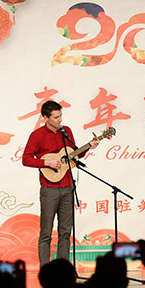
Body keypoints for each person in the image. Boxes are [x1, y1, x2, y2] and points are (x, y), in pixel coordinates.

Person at [22, 100, 98, 266]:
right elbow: (26, 159)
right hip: (49, 189)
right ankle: (45, 269)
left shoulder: (66, 131)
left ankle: (63, 269)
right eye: (56, 117)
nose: (60, 120)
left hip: (67, 187)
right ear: (45, 117)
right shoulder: (37, 135)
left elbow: (74, 154)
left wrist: (89, 147)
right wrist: (46, 163)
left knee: (65, 232)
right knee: (46, 232)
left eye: (60, 116)